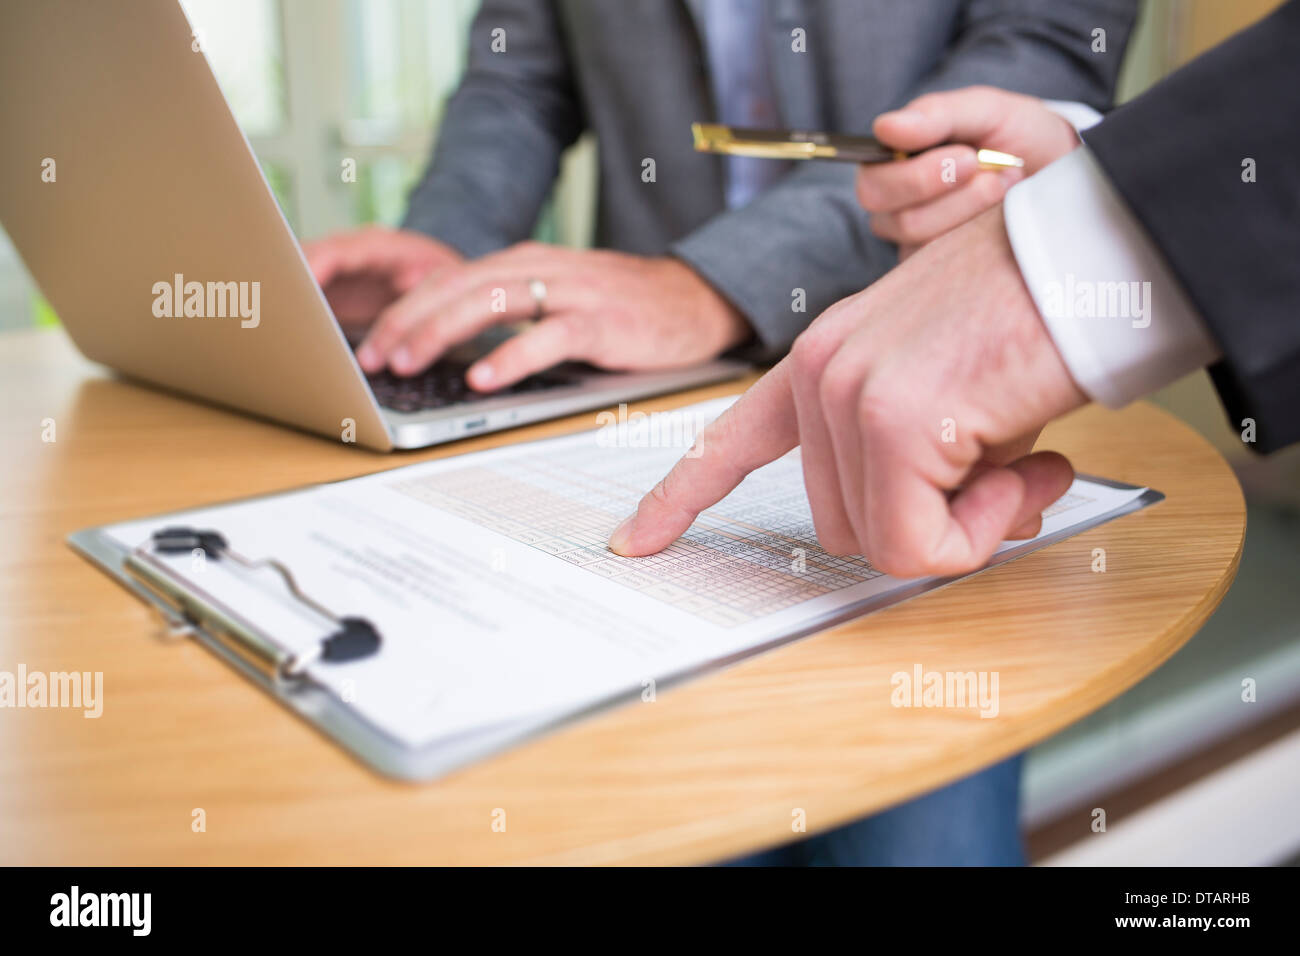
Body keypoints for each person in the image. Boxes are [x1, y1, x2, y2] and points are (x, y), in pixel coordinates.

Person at [610, 0, 1300, 866]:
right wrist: (1081, 172)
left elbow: (1046, 36)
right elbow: (512, 78)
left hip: (925, 435)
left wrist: (1075, 246)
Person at [304, 0, 1136, 395]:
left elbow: (1044, 60)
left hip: (935, 361)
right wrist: (449, 248)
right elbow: (517, 80)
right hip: (623, 391)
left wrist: (710, 283)